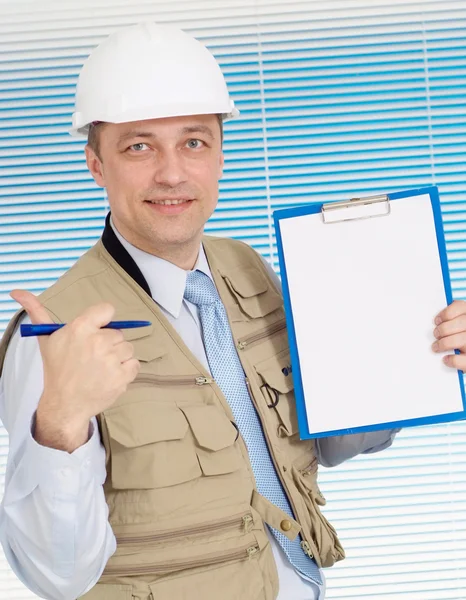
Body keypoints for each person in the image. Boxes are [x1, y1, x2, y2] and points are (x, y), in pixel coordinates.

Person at [0, 22, 464, 600]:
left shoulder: (249, 269)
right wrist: (61, 421)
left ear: (220, 154)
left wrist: (418, 354)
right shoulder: (52, 334)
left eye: (193, 142)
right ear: (96, 163)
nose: (172, 173)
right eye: (139, 146)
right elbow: (55, 575)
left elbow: (327, 442)